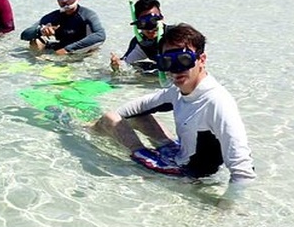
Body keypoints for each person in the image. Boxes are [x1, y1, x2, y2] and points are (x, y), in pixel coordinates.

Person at [92, 23, 256, 184]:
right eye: (167, 62)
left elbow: (243, 170)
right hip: (179, 153)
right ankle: (91, 128)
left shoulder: (217, 102)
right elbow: (137, 108)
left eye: (184, 59)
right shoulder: (177, 91)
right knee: (137, 117)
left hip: (186, 174)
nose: (176, 69)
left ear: (201, 60)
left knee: (109, 118)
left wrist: (227, 208)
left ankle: (87, 133)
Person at [20, 0, 106, 55]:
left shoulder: (87, 14)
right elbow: (24, 35)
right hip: (60, 50)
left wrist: (67, 49)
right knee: (35, 41)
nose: (64, 0)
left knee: (92, 50)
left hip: (81, 52)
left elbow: (100, 35)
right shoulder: (53, 17)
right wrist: (41, 31)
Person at [111, 0, 168, 73]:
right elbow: (124, 66)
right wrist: (116, 66)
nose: (150, 29)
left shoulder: (176, 36)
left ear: (161, 19)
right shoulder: (140, 43)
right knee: (137, 67)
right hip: (159, 68)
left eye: (154, 21)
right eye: (143, 24)